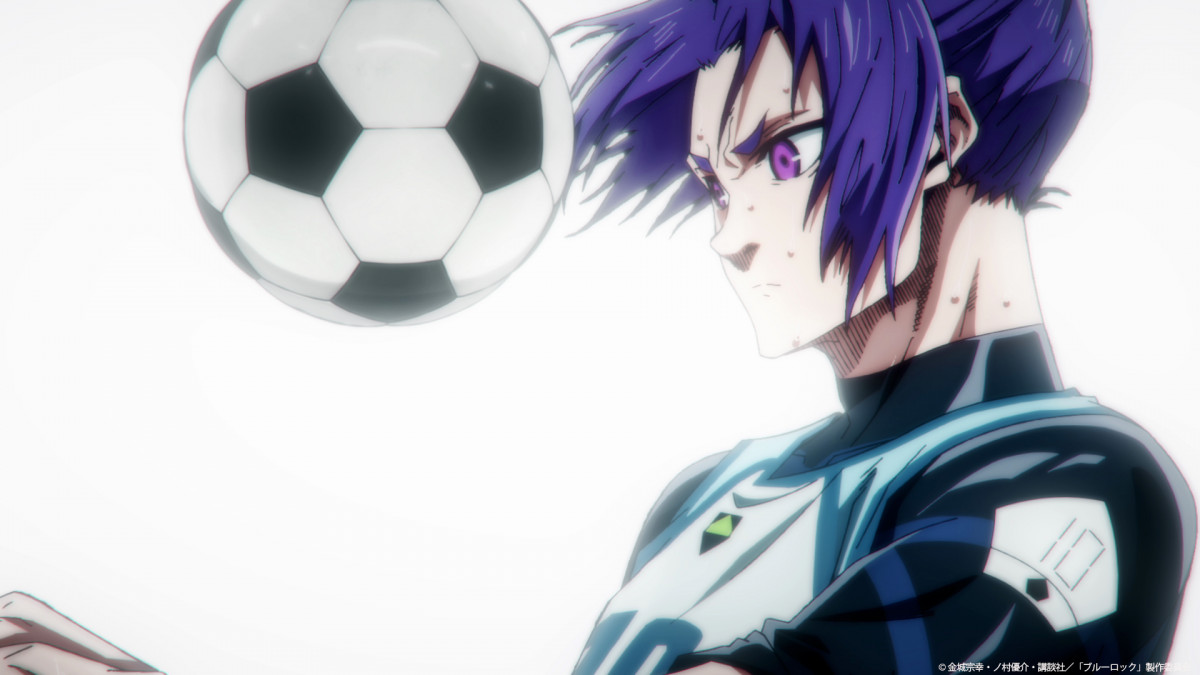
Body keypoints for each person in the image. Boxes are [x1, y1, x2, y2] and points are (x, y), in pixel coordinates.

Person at [564, 1, 1196, 673]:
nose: (729, 236)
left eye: (786, 155)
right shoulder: (702, 495)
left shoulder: (1090, 481)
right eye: (718, 187)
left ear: (944, 133)